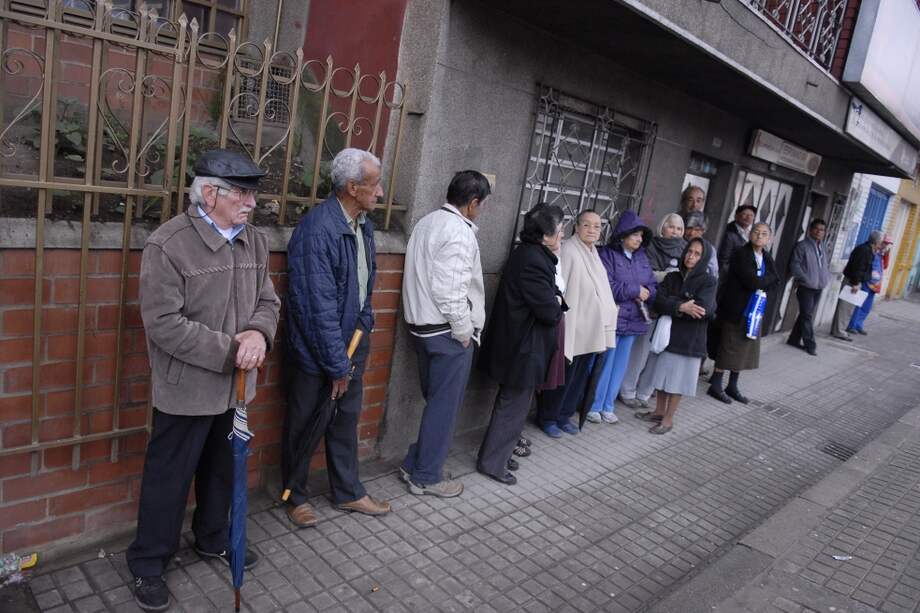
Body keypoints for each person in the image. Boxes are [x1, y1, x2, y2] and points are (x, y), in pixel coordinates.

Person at [127, 150, 281, 611]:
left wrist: (258, 332)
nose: (252, 202)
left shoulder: (254, 240)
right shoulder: (168, 244)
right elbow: (163, 322)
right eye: (243, 192)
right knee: (169, 478)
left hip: (235, 389)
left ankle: (212, 538)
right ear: (209, 193)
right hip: (186, 389)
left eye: (254, 193)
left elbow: (268, 300)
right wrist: (232, 350)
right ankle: (148, 563)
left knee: (222, 469)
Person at [283, 148, 391, 529]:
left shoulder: (363, 225)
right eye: (374, 184)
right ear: (351, 187)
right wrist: (336, 364)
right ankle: (294, 497)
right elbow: (317, 308)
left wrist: (364, 327)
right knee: (306, 423)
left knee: (345, 420)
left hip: (351, 345)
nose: (380, 192)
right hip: (318, 353)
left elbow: (364, 285)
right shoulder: (318, 230)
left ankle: (348, 491)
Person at [399, 170, 491, 497]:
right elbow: (451, 292)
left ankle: (415, 462)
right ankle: (426, 476)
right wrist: (465, 331)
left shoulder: (427, 222)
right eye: (482, 205)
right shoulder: (459, 232)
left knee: (437, 403)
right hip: (446, 332)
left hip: (421, 328)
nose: (481, 211)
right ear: (473, 203)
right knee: (444, 407)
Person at [477, 204, 566, 485]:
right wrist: (558, 302)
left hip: (522, 347)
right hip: (523, 349)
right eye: (560, 231)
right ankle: (493, 462)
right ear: (545, 236)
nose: (562, 235)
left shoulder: (532, 255)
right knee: (512, 406)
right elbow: (549, 311)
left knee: (512, 405)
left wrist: (556, 299)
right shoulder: (534, 261)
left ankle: (499, 454)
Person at [537, 210, 617, 438]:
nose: (592, 230)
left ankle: (564, 415)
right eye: (587, 225)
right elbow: (562, 287)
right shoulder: (570, 250)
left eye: (597, 226)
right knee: (563, 375)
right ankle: (548, 417)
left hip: (590, 327)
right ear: (577, 227)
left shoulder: (593, 253)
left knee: (579, 376)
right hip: (572, 325)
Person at [634, 238, 717, 433]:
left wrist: (674, 304)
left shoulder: (708, 281)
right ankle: (659, 411)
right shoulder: (673, 277)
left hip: (688, 340)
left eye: (697, 254)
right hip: (667, 337)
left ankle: (668, 420)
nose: (691, 256)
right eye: (689, 251)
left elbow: (704, 309)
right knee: (661, 377)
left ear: (703, 258)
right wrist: (681, 306)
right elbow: (658, 301)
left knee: (676, 382)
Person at [589, 210, 656, 423]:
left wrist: (649, 292)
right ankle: (594, 405)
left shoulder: (642, 257)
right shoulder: (607, 255)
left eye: (641, 236)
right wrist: (636, 290)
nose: (639, 239)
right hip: (614, 318)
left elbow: (652, 285)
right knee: (605, 362)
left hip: (635, 318)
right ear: (623, 234)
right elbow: (608, 286)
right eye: (635, 234)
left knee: (620, 364)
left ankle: (608, 405)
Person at [708, 222, 779, 404]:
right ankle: (715, 384)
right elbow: (752, 281)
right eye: (756, 232)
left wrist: (766, 280)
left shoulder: (767, 257)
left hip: (755, 310)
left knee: (744, 348)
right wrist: (767, 279)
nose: (759, 236)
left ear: (769, 238)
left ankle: (732, 385)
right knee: (728, 346)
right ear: (750, 234)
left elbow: (775, 281)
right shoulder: (741, 254)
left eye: (764, 233)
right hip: (736, 309)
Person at [620, 213, 686, 410]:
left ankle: (645, 393)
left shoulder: (686, 249)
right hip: (649, 306)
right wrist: (669, 275)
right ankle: (627, 390)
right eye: (671, 227)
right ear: (662, 227)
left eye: (679, 228)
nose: (675, 232)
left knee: (658, 353)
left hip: (672, 309)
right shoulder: (649, 246)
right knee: (639, 352)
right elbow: (646, 274)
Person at [787, 218, 830, 356]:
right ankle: (810, 345)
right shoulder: (802, 245)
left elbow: (824, 265)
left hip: (819, 287)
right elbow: (794, 264)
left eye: (822, 230)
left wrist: (825, 278)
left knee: (806, 314)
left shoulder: (823, 246)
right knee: (807, 315)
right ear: (810, 230)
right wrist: (804, 278)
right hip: (806, 286)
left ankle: (793, 339)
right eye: (816, 228)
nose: (819, 232)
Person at [830, 230, 883, 341]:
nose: (881, 244)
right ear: (876, 241)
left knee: (848, 308)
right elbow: (858, 268)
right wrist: (856, 283)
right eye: (880, 242)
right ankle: (839, 331)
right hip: (852, 282)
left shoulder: (869, 250)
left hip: (855, 281)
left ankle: (838, 330)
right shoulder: (865, 250)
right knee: (845, 308)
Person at [846, 234, 892, 336]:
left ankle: (859, 325)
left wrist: (886, 255)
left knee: (867, 307)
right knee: (859, 304)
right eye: (884, 243)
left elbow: (884, 266)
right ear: (879, 242)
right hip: (867, 282)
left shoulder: (881, 254)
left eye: (888, 244)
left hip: (875, 285)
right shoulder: (872, 252)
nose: (885, 246)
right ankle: (852, 325)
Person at [718, 205, 757, 274]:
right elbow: (723, 262)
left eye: (751, 215)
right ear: (736, 216)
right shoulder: (729, 233)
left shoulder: (754, 232)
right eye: (744, 214)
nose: (748, 218)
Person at [684, 212, 719, 278]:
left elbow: (713, 274)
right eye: (689, 228)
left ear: (703, 231)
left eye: (697, 230)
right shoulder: (678, 243)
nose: (692, 233)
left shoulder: (709, 249)